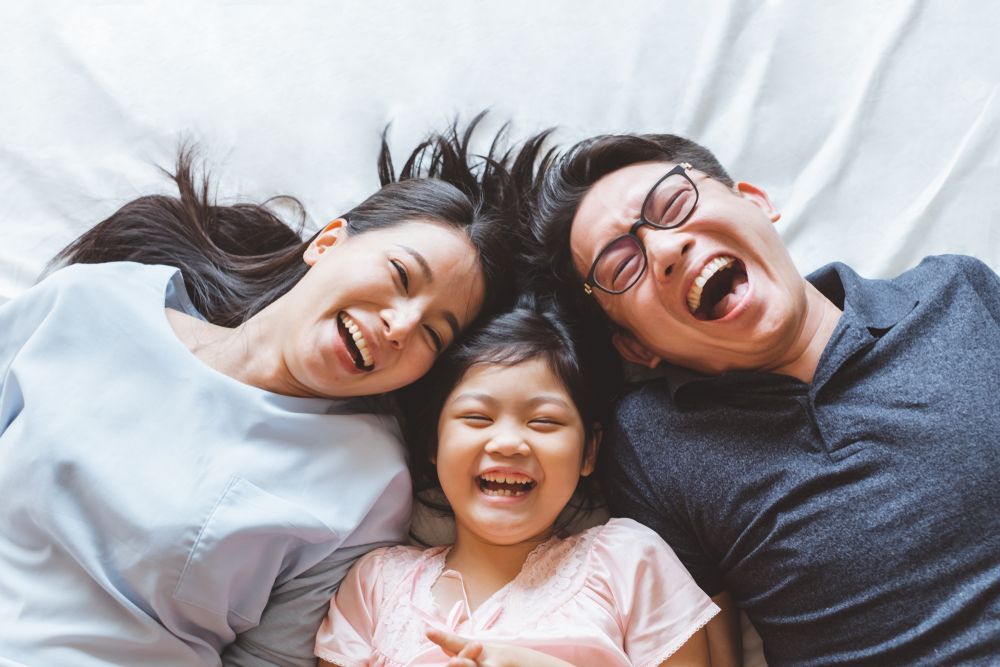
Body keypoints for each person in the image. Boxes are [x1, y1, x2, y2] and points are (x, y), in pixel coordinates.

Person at [0, 121, 527, 666]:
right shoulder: (92, 301)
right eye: (400, 275)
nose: (401, 325)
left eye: (433, 334)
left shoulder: (366, 481)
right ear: (326, 243)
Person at [528, 133, 1000, 666]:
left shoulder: (956, 291)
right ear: (637, 347)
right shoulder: (651, 443)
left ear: (756, 202)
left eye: (674, 204)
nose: (664, 248)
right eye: (621, 267)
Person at [313, 303, 721, 667]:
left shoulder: (629, 561)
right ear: (433, 443)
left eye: (544, 421)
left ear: (589, 452)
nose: (508, 442)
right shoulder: (376, 584)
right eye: (476, 417)